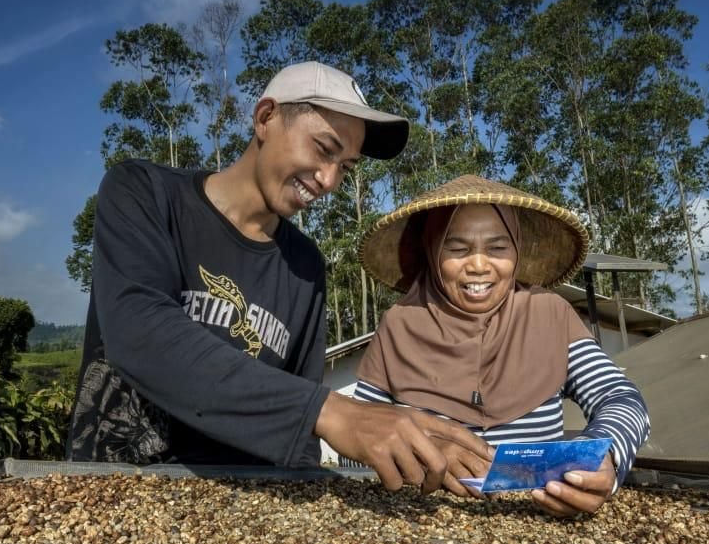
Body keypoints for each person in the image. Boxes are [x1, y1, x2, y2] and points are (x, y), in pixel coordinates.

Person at [66, 61, 490, 493]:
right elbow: (139, 331)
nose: (328, 180)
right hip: (114, 489)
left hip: (235, 503)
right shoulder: (144, 193)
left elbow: (297, 415)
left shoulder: (305, 267)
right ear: (266, 117)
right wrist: (332, 412)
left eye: (345, 166)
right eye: (324, 149)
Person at [351, 175, 650, 516]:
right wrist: (423, 451)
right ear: (433, 251)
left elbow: (620, 396)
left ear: (516, 252)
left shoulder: (549, 314)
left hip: (539, 517)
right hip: (421, 520)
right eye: (457, 248)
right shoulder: (399, 324)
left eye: (497, 248)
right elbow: (358, 435)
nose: (479, 265)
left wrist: (603, 454)